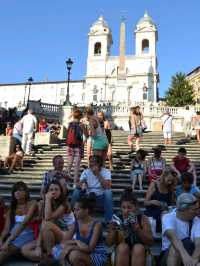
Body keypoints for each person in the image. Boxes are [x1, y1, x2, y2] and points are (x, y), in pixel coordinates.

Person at [52, 194, 108, 266]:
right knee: (57, 249)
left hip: (96, 255)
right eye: (74, 209)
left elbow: (90, 249)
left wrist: (70, 247)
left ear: (86, 211)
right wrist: (76, 241)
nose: (74, 213)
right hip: (82, 251)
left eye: (78, 210)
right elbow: (64, 241)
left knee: (73, 255)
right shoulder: (76, 223)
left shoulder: (96, 225)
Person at [106, 188, 153, 266]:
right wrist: (113, 231)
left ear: (136, 207)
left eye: (129, 207)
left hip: (140, 252)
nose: (126, 211)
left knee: (138, 247)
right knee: (122, 247)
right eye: (123, 207)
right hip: (121, 252)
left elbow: (151, 242)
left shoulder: (143, 218)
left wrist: (138, 230)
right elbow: (108, 243)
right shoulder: (117, 219)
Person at [0, 182, 37, 264]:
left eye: (20, 190)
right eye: (15, 190)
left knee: (3, 252)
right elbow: (6, 229)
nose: (17, 192)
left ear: (26, 192)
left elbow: (24, 223)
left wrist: (8, 241)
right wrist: (1, 239)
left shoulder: (32, 203)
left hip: (27, 234)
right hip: (13, 235)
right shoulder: (12, 208)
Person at [161, 193, 200, 266]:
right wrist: (184, 255)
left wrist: (193, 260)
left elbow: (198, 243)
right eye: (194, 209)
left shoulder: (197, 220)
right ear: (184, 209)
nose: (197, 212)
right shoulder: (168, 217)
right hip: (168, 256)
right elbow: (172, 236)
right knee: (175, 248)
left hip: (190, 255)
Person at [71, 155, 113, 223]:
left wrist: (98, 174)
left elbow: (107, 187)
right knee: (76, 191)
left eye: (93, 162)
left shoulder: (106, 172)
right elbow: (78, 186)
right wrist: (82, 182)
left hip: (100, 197)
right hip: (88, 196)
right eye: (90, 162)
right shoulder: (86, 171)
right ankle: (72, 216)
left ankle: (108, 221)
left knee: (108, 192)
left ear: (99, 164)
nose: (91, 164)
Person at [41, 180, 74, 258]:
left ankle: (50, 256)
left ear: (60, 191)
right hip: (53, 234)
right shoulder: (46, 204)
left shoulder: (64, 205)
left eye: (56, 189)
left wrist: (48, 199)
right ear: (47, 191)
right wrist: (38, 245)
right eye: (51, 190)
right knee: (26, 249)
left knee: (47, 224)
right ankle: (51, 254)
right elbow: (43, 223)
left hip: (68, 234)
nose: (53, 192)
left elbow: (48, 218)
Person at [66, 108, 88, 187]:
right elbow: (87, 136)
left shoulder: (70, 123)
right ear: (80, 116)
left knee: (69, 165)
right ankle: (75, 183)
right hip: (78, 145)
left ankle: (67, 182)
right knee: (77, 166)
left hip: (70, 145)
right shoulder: (81, 125)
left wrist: (71, 114)